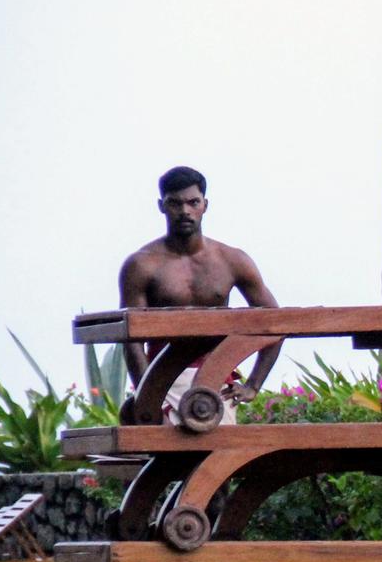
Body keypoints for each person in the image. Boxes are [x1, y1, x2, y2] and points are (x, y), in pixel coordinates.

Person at [118, 166, 281, 424]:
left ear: (205, 205)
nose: (184, 211)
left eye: (193, 202)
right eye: (175, 203)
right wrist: (147, 396)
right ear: (161, 206)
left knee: (219, 461)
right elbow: (130, 340)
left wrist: (253, 385)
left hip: (216, 382)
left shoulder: (232, 261)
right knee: (170, 463)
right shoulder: (141, 265)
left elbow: (276, 323)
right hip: (162, 380)